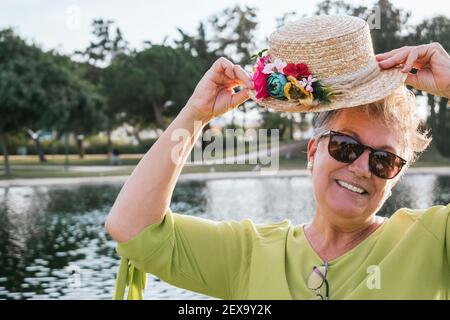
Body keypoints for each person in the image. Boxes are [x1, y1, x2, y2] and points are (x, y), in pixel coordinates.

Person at [105, 15, 450, 300]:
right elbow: (132, 227)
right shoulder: (249, 252)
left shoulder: (433, 241)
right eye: (345, 146)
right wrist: (196, 114)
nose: (361, 168)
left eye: (383, 160)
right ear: (313, 152)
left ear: (396, 175)